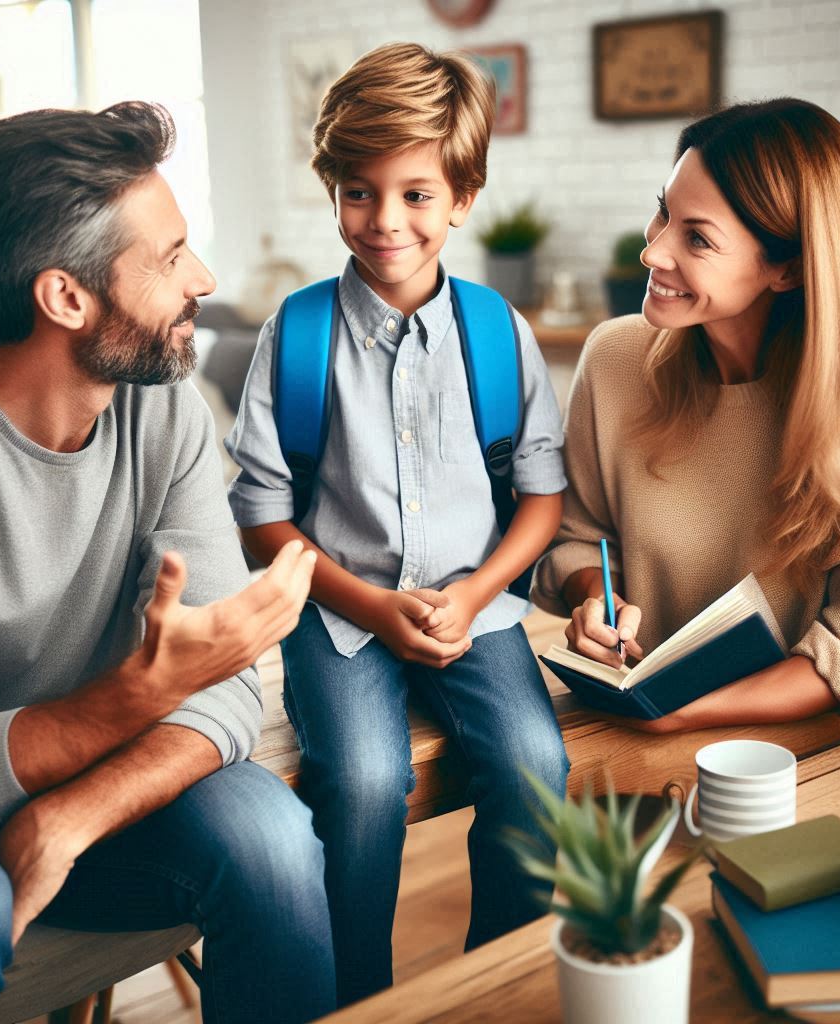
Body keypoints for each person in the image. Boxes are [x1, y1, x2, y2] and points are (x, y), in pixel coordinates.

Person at [0, 102, 336, 1024]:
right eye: (170, 255)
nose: (205, 277)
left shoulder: (165, 411)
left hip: (99, 787)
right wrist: (141, 693)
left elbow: (224, 692)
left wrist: (73, 815)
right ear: (66, 297)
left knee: (271, 841)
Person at [225, 42, 570, 1007]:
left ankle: (495, 983)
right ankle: (356, 1000)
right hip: (340, 613)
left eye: (417, 194)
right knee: (369, 788)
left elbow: (540, 500)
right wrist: (373, 608)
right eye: (359, 192)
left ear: (462, 197)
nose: (385, 221)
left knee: (539, 767)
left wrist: (475, 593)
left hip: (477, 608)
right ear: (332, 190)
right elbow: (262, 516)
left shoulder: (499, 333)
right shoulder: (295, 335)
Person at [532, 98, 840, 732]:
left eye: (696, 238)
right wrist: (595, 599)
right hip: (631, 729)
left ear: (787, 268)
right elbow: (578, 537)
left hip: (806, 753)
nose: (653, 252)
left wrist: (680, 711)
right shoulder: (614, 358)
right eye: (663, 213)